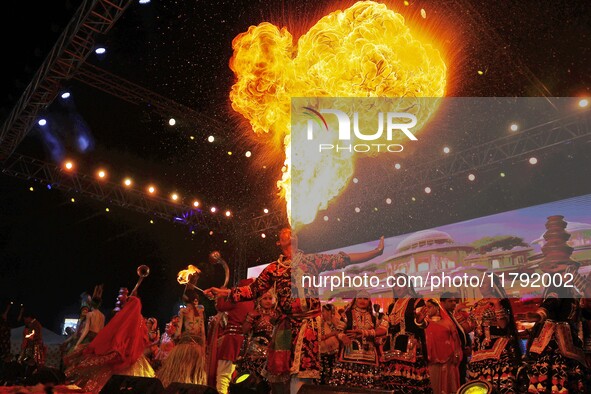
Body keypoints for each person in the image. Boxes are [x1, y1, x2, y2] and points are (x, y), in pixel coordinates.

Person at [204, 228, 384, 394]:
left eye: (292, 232)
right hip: (284, 325)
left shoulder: (311, 260)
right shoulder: (273, 268)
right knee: (278, 374)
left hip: (307, 324)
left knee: (301, 373)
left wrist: (376, 252)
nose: (289, 233)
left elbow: (345, 258)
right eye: (284, 232)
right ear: (279, 243)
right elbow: (252, 290)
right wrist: (226, 292)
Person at [64, 295, 155, 392]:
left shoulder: (124, 316)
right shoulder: (139, 319)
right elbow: (143, 338)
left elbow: (115, 333)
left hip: (118, 350)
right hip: (133, 355)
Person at [460, 274, 521, 393]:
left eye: (484, 283)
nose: (481, 286)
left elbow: (503, 325)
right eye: (479, 283)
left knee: (500, 383)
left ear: (492, 285)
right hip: (479, 351)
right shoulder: (477, 305)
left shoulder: (500, 301)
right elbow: (468, 328)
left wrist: (497, 305)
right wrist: (457, 315)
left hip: (498, 349)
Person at [381, 273, 432, 393]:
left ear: (408, 285)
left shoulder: (417, 302)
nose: (397, 288)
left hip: (409, 350)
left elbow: (425, 322)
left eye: (400, 284)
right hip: (392, 352)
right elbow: (384, 327)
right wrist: (365, 333)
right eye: (394, 284)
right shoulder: (391, 306)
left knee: (411, 386)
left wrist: (419, 320)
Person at [328, 290, 387, 389]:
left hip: (369, 357)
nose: (362, 301)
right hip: (349, 355)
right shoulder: (347, 315)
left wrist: (380, 342)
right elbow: (338, 331)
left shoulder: (373, 318)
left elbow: (378, 335)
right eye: (360, 298)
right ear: (355, 300)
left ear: (369, 301)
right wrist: (343, 337)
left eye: (365, 299)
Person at [207, 278, 255, 394]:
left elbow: (220, 307)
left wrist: (220, 294)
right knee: (233, 372)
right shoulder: (252, 302)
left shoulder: (238, 299)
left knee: (223, 373)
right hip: (242, 340)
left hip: (231, 340)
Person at [156, 287, 207, 388]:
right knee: (196, 371)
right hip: (198, 347)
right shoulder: (200, 311)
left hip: (186, 345)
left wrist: (174, 339)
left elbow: (178, 333)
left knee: (181, 371)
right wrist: (203, 346)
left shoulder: (183, 311)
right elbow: (202, 332)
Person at [236, 290, 280, 391]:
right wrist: (250, 318)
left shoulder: (277, 315)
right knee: (253, 382)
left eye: (270, 298)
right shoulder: (254, 314)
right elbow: (244, 330)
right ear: (259, 300)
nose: (268, 301)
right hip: (255, 353)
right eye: (265, 298)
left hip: (272, 353)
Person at [424, 298, 462, 394]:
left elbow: (456, 340)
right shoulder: (425, 323)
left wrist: (457, 353)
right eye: (426, 307)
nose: (427, 309)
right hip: (432, 359)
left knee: (449, 385)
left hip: (448, 359)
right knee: (434, 385)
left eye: (429, 307)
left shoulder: (448, 323)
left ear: (437, 307)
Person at [439, 291, 471, 385]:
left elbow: (463, 332)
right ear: (442, 303)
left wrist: (467, 346)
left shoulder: (451, 315)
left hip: (461, 356)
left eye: (455, 301)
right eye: (450, 301)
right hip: (452, 358)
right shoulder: (441, 318)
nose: (453, 303)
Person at [318, 303, 340, 385]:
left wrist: (326, 336)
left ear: (329, 312)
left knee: (332, 368)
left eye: (323, 311)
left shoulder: (335, 320)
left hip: (334, 349)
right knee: (323, 369)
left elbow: (339, 331)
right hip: (323, 350)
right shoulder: (320, 321)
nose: (322, 313)